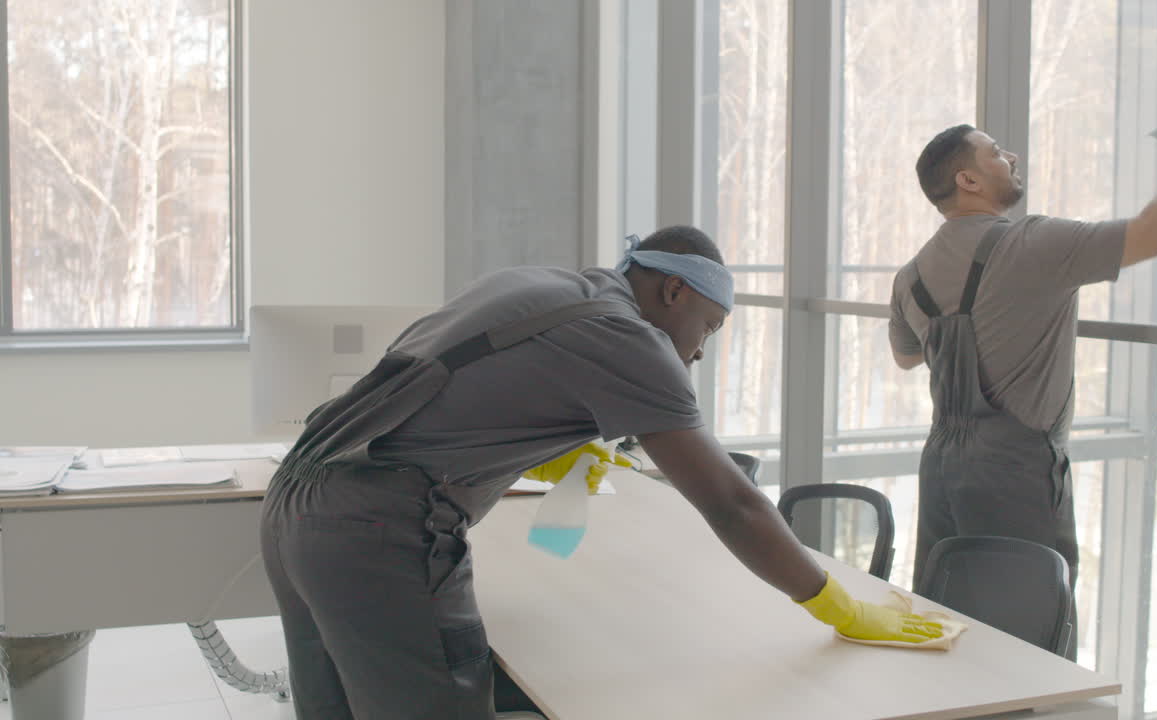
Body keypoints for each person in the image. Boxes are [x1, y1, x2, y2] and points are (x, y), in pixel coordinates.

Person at [262, 225, 942, 720]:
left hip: (299, 505)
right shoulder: (631, 340)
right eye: (709, 327)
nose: (700, 354)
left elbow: (444, 386)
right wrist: (837, 604)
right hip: (378, 533)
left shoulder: (548, 286)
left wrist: (550, 446)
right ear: (674, 291)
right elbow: (732, 504)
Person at [888, 76, 1157, 660]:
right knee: (1029, 649)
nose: (1012, 155)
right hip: (1017, 475)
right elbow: (1154, 234)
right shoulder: (1032, 243)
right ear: (968, 179)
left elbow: (906, 357)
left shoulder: (911, 275)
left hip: (943, 469)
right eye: (996, 151)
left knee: (948, 630)